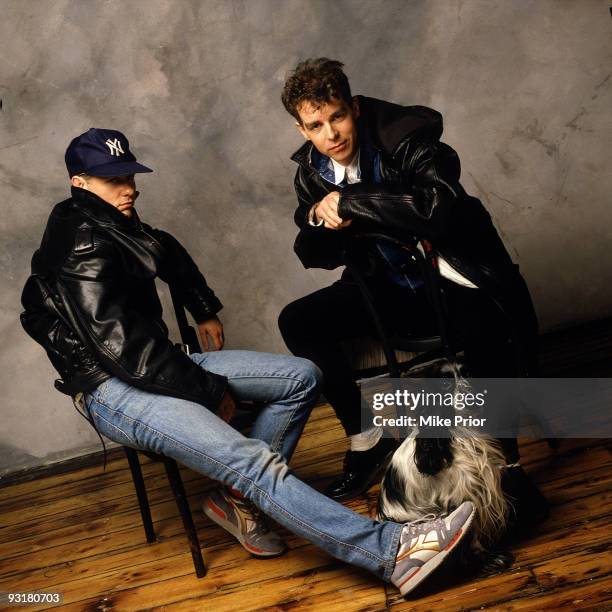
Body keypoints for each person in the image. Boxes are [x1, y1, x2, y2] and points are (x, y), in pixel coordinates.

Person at [20, 127, 475, 597]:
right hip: (113, 387)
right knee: (251, 460)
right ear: (80, 182)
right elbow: (123, 351)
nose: (129, 186)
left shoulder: (111, 221)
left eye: (129, 174)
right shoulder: (80, 242)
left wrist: (204, 307)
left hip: (148, 364)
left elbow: (165, 250)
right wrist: (209, 391)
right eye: (112, 179)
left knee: (301, 378)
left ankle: (235, 501)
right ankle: (393, 553)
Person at [278, 58, 547, 523]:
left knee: (486, 326)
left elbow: (439, 207)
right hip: (394, 288)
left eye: (338, 116)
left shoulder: (409, 137)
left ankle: (506, 467)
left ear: (355, 108)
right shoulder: (313, 171)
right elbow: (312, 250)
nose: (332, 135)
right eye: (316, 125)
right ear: (302, 130)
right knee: (297, 320)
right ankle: (366, 439)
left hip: (454, 279)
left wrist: (353, 202)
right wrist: (316, 217)